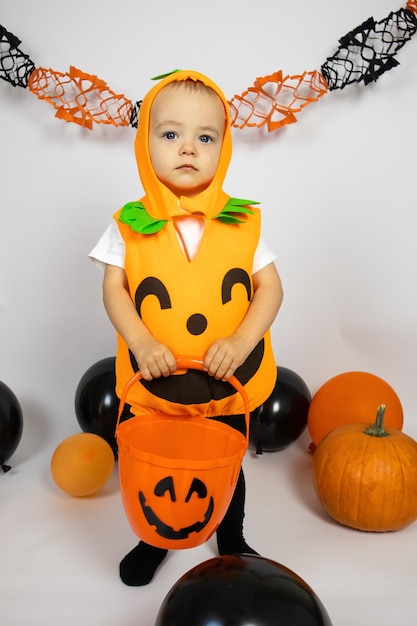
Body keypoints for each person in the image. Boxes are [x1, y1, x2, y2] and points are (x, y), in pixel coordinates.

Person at [89, 69, 283, 586]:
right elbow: (115, 290)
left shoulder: (243, 222)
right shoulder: (128, 223)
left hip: (223, 377)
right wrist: (141, 340)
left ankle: (232, 535)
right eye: (170, 134)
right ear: (144, 142)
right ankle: (155, 539)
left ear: (225, 147)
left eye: (205, 137)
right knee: (160, 463)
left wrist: (242, 340)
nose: (188, 149)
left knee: (225, 459)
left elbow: (271, 289)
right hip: (157, 377)